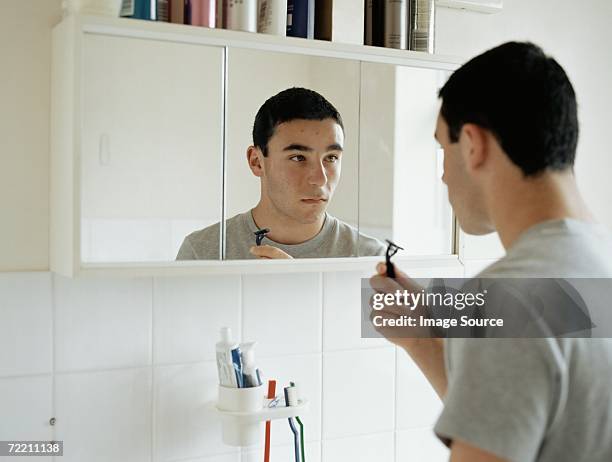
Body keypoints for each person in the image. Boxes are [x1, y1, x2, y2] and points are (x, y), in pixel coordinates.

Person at [370, 42, 612, 461]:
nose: (444, 175)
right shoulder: (595, 266)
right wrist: (423, 339)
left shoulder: (510, 298)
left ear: (472, 144)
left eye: (442, 150)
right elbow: (525, 421)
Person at [177, 87, 385, 260]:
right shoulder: (201, 252)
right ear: (256, 161)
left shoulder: (372, 257)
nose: (320, 179)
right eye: (298, 158)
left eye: (331, 158)